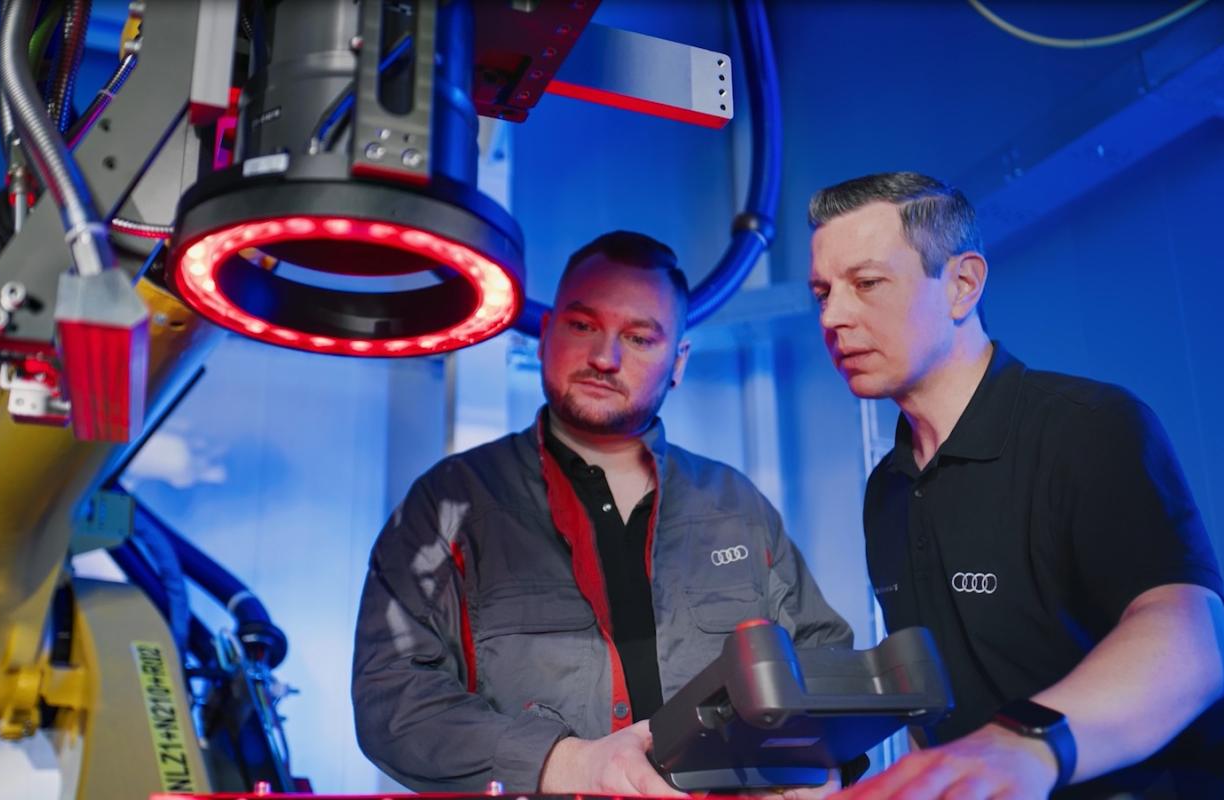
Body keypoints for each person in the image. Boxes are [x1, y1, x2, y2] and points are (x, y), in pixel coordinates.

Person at [805, 172, 1224, 798]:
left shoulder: (1088, 426)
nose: (833, 315)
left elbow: (1193, 643)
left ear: (962, 285)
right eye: (822, 292)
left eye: (866, 283)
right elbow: (939, 694)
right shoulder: (888, 489)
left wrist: (1023, 742)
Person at [352, 231, 854, 795]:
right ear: (545, 335)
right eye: (582, 325)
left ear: (678, 362)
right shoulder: (449, 503)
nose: (604, 358)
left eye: (639, 338)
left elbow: (823, 660)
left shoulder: (735, 506)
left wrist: (820, 760)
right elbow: (391, 696)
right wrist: (568, 764)